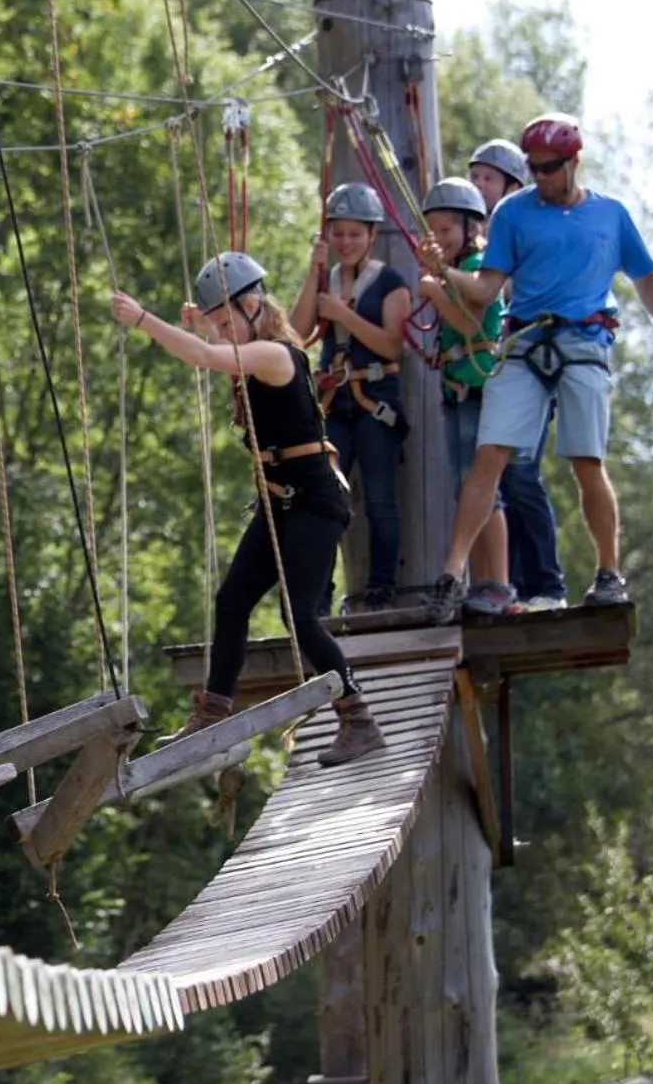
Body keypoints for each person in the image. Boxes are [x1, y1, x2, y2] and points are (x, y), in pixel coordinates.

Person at [420, 113, 653, 622]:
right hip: (527, 340)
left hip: (583, 341)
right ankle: (452, 575)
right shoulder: (513, 213)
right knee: (489, 455)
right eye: (534, 168)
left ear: (574, 162)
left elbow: (646, 282)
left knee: (585, 460)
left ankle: (608, 572)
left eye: (550, 168)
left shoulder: (611, 215)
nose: (541, 178)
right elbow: (487, 290)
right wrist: (441, 273)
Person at [111, 253, 384, 769]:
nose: (219, 330)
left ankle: (359, 718)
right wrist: (203, 327)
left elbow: (206, 357)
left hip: (313, 499)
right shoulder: (257, 350)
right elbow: (215, 350)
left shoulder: (277, 355)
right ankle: (213, 711)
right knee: (232, 600)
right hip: (280, 499)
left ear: (253, 305)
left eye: (224, 319)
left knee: (299, 616)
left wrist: (145, 319)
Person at [290, 182, 412, 614]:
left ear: (372, 236)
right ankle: (319, 592)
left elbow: (392, 345)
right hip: (334, 403)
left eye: (355, 234)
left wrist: (343, 314)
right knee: (326, 498)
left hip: (375, 399)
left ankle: (381, 587)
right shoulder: (326, 280)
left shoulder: (391, 283)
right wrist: (313, 272)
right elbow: (296, 334)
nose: (346, 242)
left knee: (380, 499)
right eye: (338, 234)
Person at [469, 139, 569, 612]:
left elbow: (505, 294)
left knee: (522, 476)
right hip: (495, 374)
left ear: (512, 187)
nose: (479, 185)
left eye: (488, 178)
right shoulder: (468, 242)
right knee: (499, 483)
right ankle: (510, 585)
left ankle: (545, 584)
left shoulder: (522, 235)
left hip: (530, 365)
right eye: (475, 177)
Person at [418, 176, 516, 614]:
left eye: (447, 230)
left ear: (470, 227)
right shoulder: (456, 270)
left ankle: (498, 582)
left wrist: (436, 289)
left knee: (484, 489)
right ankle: (483, 585)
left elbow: (473, 322)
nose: (439, 238)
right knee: (467, 489)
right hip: (459, 389)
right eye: (433, 230)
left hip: (482, 389)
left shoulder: (480, 266)